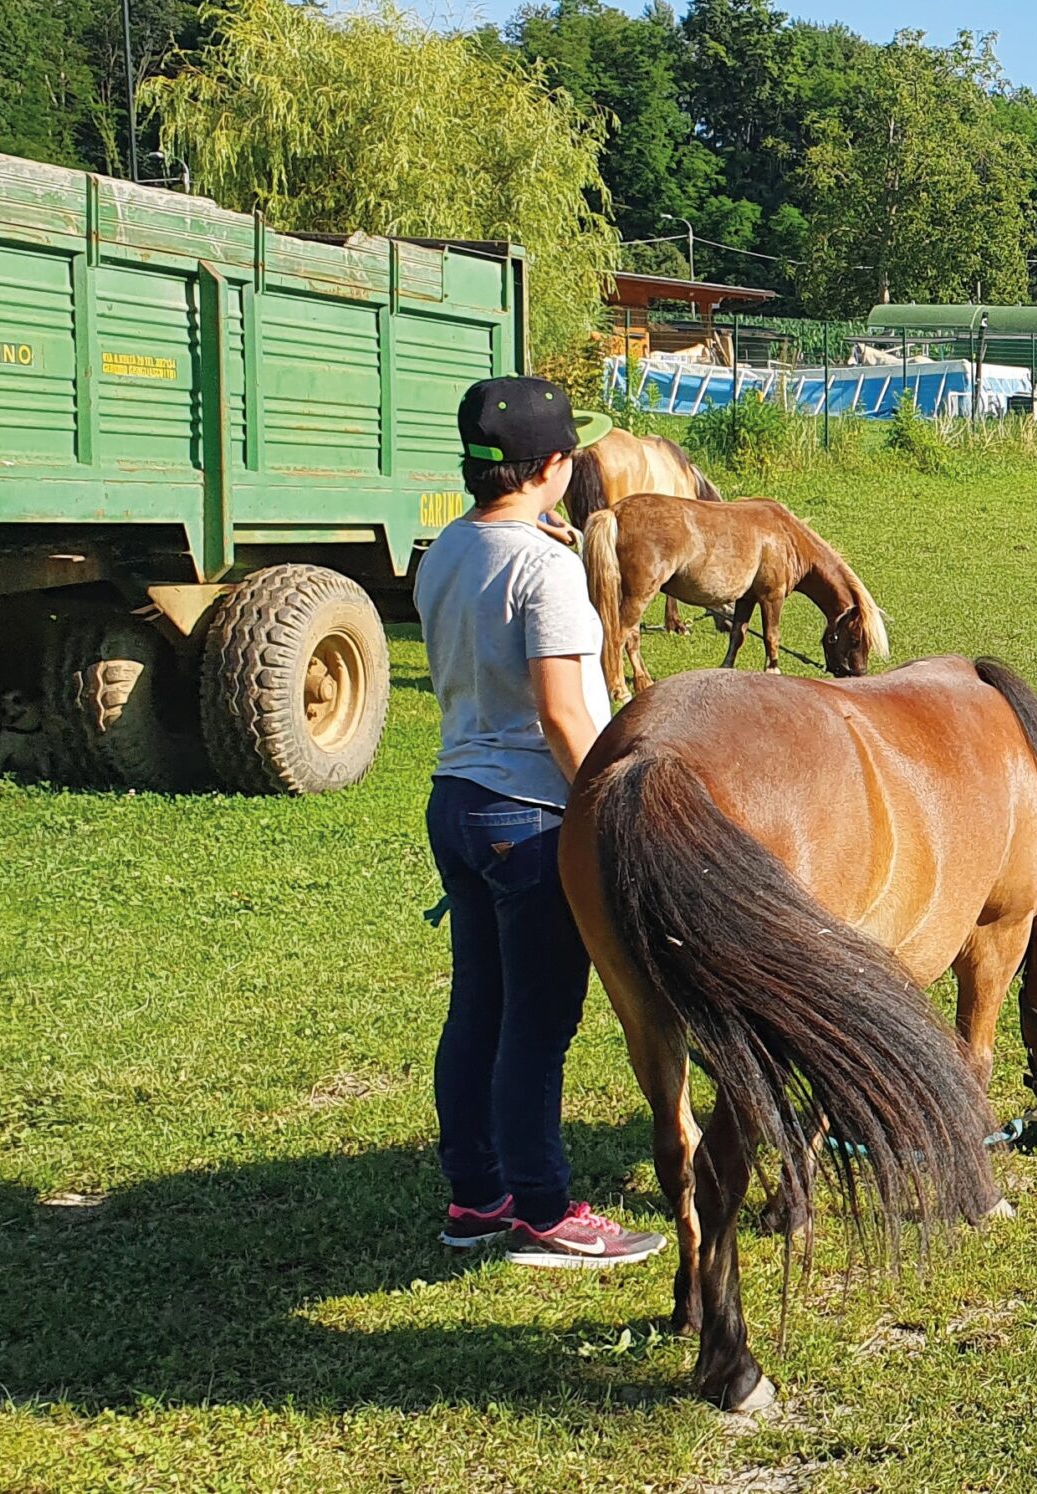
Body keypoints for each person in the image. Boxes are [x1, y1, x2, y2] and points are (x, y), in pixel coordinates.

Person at [414, 375, 665, 1268]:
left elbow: (490, 608)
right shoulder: (546, 568)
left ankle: (477, 1197)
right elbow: (564, 714)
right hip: (531, 817)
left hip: (457, 801)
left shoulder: (443, 550)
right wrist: (615, 806)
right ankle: (546, 1210)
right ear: (556, 466)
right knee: (538, 1023)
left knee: (478, 1007)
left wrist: (546, 553)